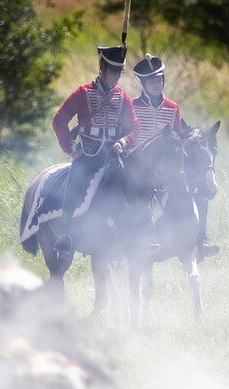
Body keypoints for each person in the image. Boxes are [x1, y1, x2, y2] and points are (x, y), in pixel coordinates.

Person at [51, 44, 139, 255]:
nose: (117, 77)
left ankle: (138, 232)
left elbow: (134, 127)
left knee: (134, 185)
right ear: (103, 69)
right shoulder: (83, 93)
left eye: (119, 72)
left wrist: (124, 142)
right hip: (87, 154)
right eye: (113, 71)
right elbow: (59, 120)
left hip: (113, 156)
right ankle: (67, 234)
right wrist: (71, 149)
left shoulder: (122, 97)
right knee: (73, 184)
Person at [132, 53, 220, 260]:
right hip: (139, 168)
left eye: (159, 79)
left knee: (196, 190)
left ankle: (200, 239)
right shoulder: (133, 106)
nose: (157, 84)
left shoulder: (173, 108)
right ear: (143, 84)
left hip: (166, 170)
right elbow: (127, 135)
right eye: (152, 80)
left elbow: (179, 139)